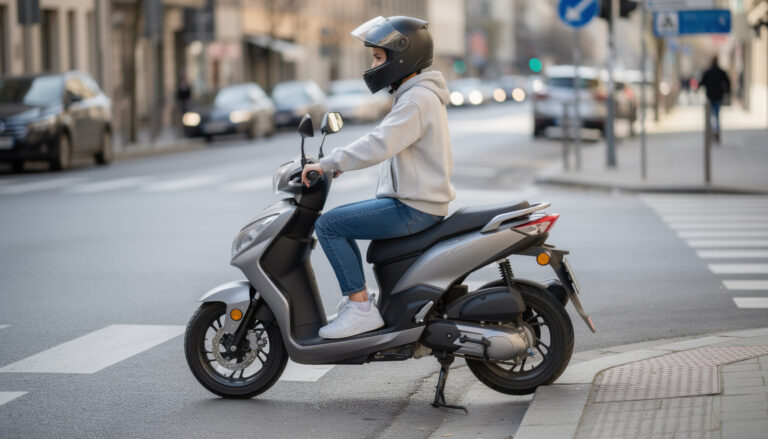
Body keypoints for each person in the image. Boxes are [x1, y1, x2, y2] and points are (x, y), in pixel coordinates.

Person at [300, 16, 455, 339]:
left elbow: (380, 143)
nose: (373, 64)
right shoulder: (416, 94)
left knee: (329, 225)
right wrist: (340, 163)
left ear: (402, 57)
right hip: (417, 203)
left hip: (415, 208)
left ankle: (360, 308)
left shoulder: (416, 99)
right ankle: (360, 302)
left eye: (378, 57)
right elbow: (389, 142)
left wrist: (329, 162)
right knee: (340, 222)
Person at [699, 56, 731, 143]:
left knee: (710, 116)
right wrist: (726, 91)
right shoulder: (721, 72)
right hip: (718, 97)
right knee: (716, 115)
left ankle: (712, 131)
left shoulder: (708, 72)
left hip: (710, 97)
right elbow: (728, 83)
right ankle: (716, 130)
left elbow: (701, 82)